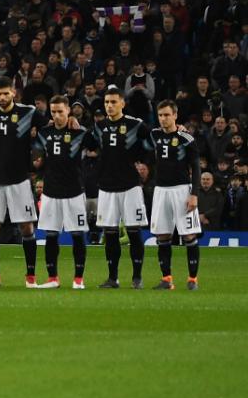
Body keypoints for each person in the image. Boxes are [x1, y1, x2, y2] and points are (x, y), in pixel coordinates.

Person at [0, 77, 40, 288]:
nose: (2, 97)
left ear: (14, 92)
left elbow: (49, 125)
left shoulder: (27, 112)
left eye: (6, 93)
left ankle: (30, 276)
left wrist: (70, 121)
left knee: (26, 227)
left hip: (19, 179)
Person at [89, 85, 152, 288]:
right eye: (107, 102)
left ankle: (137, 277)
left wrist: (144, 163)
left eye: (114, 102)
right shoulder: (99, 127)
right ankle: (112, 277)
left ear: (122, 103)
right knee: (110, 234)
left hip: (130, 186)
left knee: (134, 232)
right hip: (106, 187)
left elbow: (154, 142)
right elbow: (85, 142)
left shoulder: (135, 125)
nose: (109, 106)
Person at [32, 96, 92, 289]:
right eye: (53, 112)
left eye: (60, 111)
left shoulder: (80, 132)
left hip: (74, 191)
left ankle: (78, 279)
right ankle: (52, 278)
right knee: (50, 235)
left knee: (77, 235)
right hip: (50, 191)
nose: (57, 116)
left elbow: (98, 148)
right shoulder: (44, 132)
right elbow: (38, 157)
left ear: (68, 111)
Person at [148, 101, 201, 290]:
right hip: (161, 190)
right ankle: (167, 279)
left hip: (181, 190)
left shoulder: (186, 137)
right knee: (162, 236)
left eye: (167, 115)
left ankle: (192, 279)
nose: (163, 118)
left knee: (189, 235)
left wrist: (194, 194)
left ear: (175, 115)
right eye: (160, 115)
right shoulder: (154, 135)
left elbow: (196, 167)